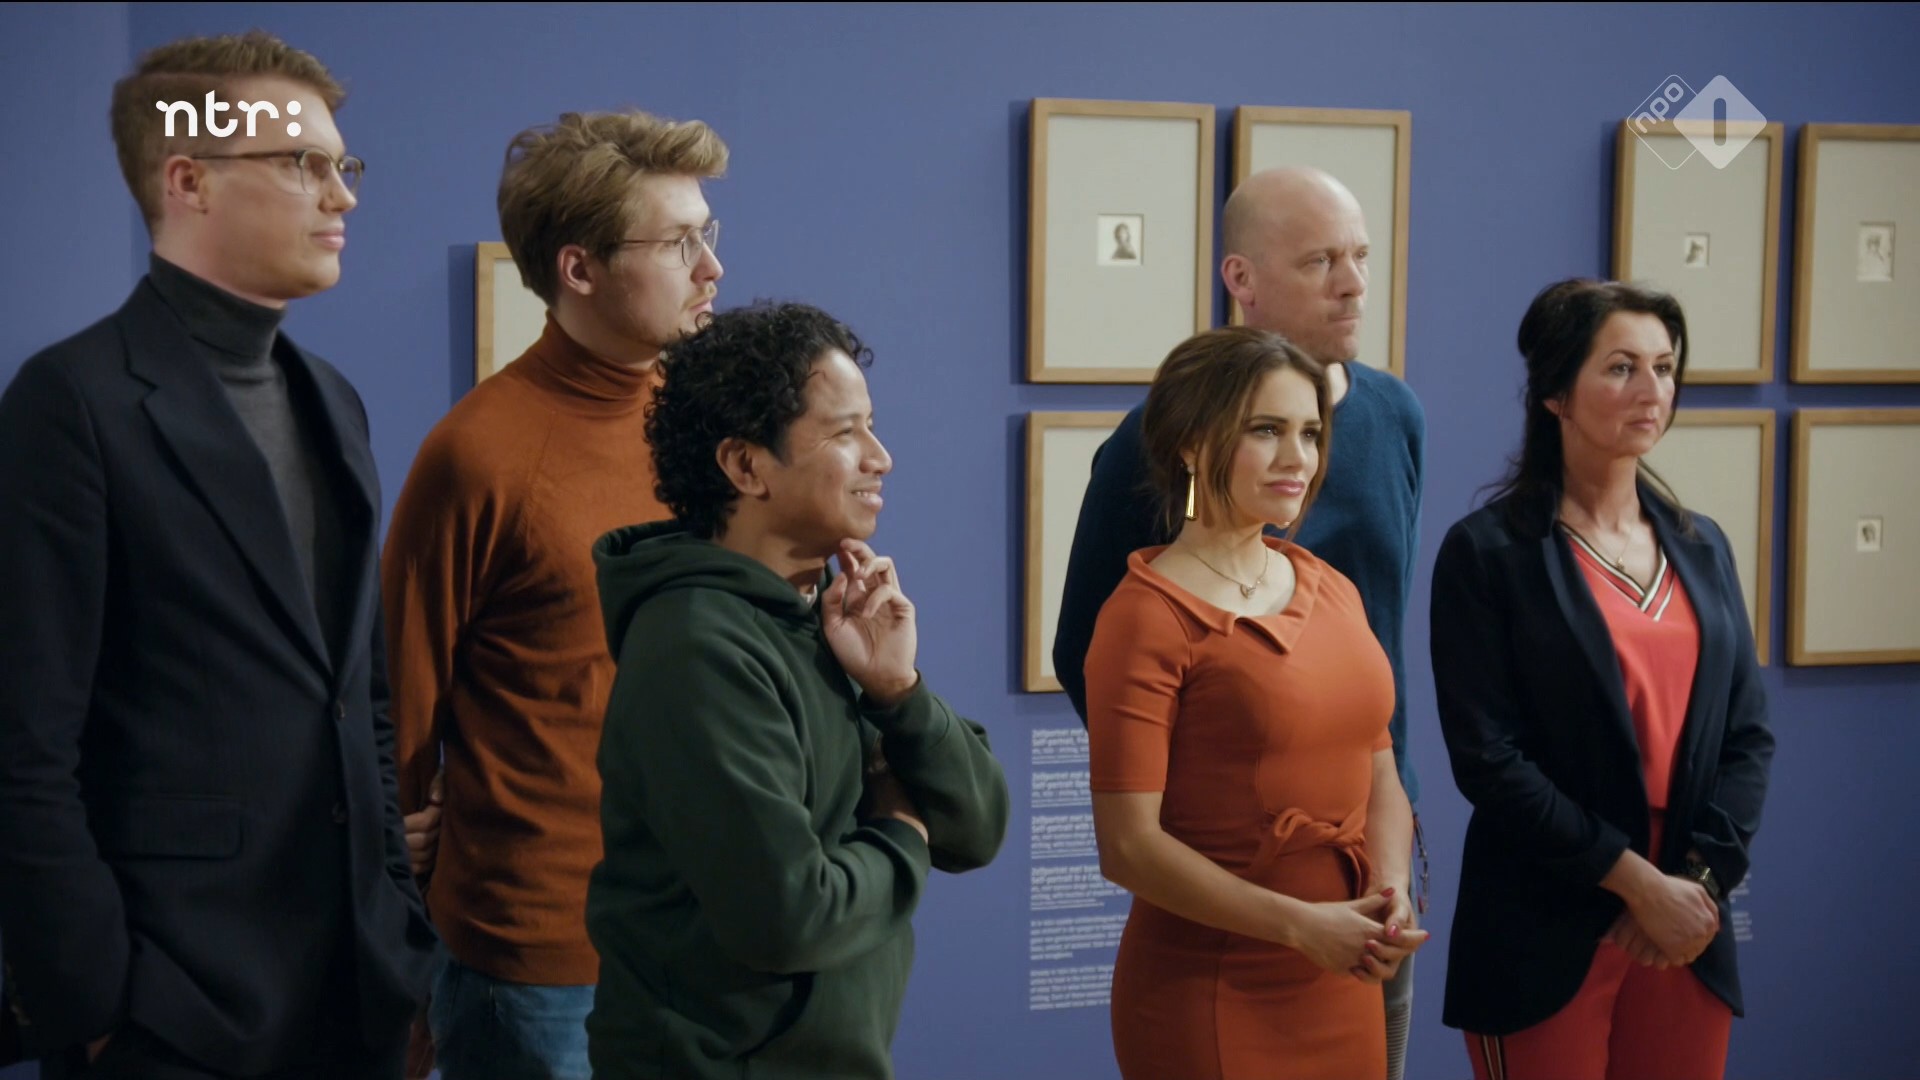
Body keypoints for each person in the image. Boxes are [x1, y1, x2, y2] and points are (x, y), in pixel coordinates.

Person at [0, 30, 436, 1079]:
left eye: (343, 164)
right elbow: (23, 745)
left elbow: (361, 700)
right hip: (170, 1016)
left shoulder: (333, 401)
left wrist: (401, 933)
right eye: (303, 163)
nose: (343, 195)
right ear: (188, 179)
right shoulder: (72, 401)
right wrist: (96, 1007)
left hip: (357, 1000)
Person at [1054, 165, 1427, 1076]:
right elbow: (1090, 659)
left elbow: (1379, 703)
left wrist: (1388, 867)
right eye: (1321, 261)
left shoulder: (1393, 419)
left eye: (1360, 257)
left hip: (1371, 873)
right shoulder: (1144, 461)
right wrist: (1229, 790)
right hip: (1230, 889)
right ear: (1242, 278)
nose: (1353, 284)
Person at [381, 109, 726, 1080]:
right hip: (538, 966)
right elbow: (398, 713)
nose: (712, 268)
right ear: (579, 269)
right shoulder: (478, 455)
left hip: (702, 940)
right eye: (680, 242)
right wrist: (398, 965)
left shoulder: (708, 434)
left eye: (709, 233)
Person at [586, 302, 1009, 1079]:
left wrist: (899, 692)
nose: (881, 457)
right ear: (746, 467)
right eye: (845, 434)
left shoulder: (833, 614)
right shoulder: (695, 647)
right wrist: (903, 834)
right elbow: (789, 916)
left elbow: (977, 829)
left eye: (872, 427)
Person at [1431, 279, 1775, 1080]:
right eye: (1622, 368)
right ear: (1555, 393)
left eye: (1665, 367)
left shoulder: (1704, 545)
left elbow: (1748, 736)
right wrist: (1634, 884)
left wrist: (1692, 883)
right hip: (1547, 918)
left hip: (1685, 921)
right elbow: (1489, 759)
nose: (1652, 390)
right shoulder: (1488, 552)